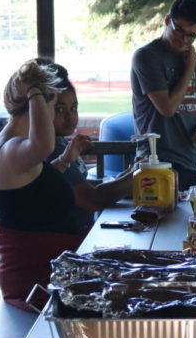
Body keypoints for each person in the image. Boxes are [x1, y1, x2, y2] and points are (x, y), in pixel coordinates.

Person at [0, 60, 86, 311]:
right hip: (34, 286)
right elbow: (43, 145)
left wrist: (65, 161)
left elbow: (34, 187)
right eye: (55, 106)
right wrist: (36, 90)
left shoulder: (15, 143)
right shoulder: (13, 147)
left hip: (50, 274)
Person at [38, 60, 133, 234]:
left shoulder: (60, 142)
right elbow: (92, 200)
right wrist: (137, 177)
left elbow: (78, 184)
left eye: (73, 108)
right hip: (67, 241)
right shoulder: (51, 149)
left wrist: (123, 178)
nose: (69, 116)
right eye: (59, 109)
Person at [131, 0, 196, 190]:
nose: (184, 40)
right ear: (168, 21)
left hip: (190, 158)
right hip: (158, 160)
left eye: (192, 35)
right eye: (180, 32)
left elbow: (188, 104)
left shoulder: (189, 56)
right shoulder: (147, 56)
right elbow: (167, 108)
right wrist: (189, 68)